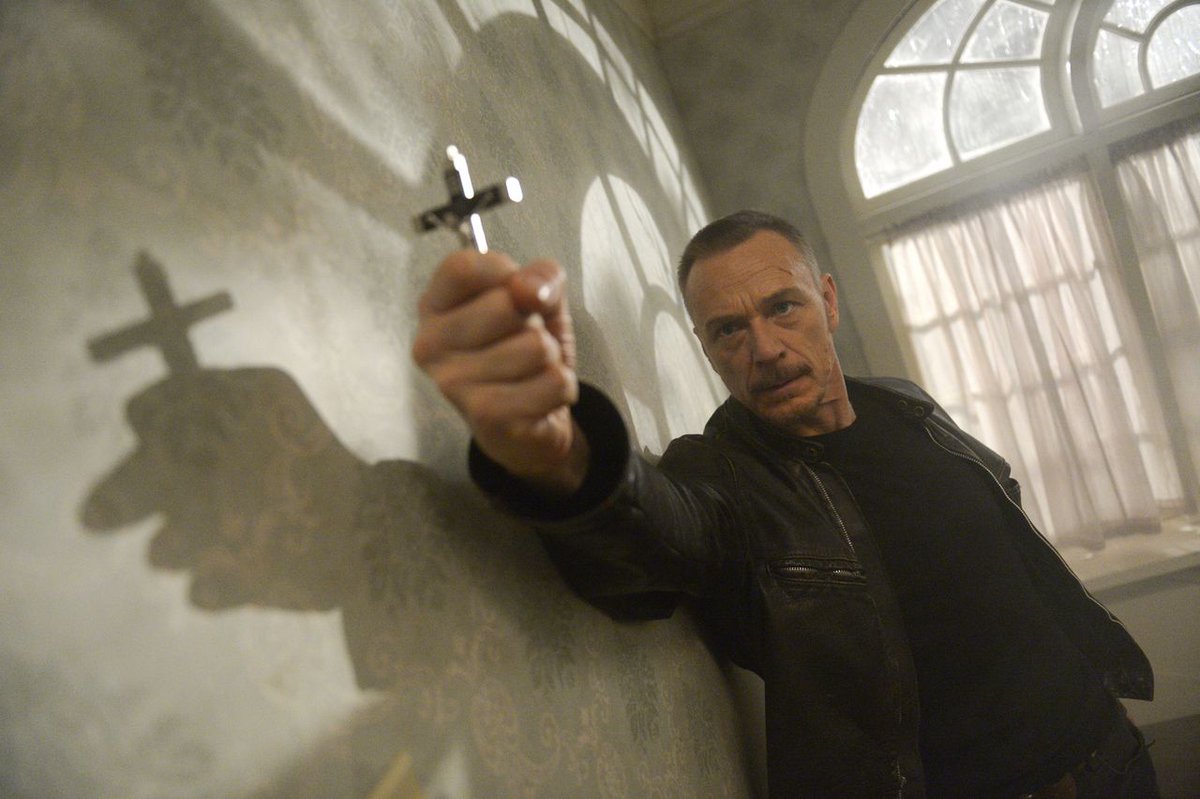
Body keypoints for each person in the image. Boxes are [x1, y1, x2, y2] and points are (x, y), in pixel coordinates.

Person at [412, 210, 1160, 797]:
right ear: (705, 345)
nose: (764, 348)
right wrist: (558, 454)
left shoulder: (906, 405)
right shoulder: (723, 473)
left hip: (1111, 756)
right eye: (729, 329)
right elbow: (655, 533)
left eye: (782, 307)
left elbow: (1006, 540)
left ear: (826, 300)